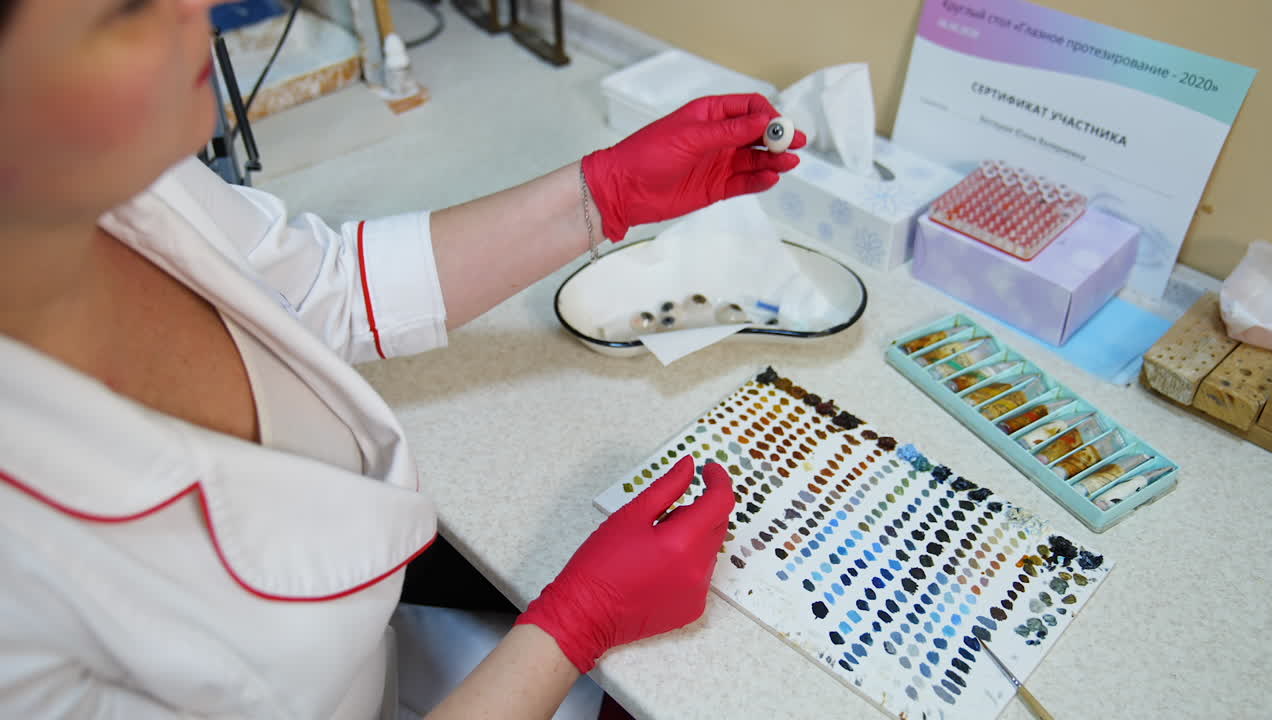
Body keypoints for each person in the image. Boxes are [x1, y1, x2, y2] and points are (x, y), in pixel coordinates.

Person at [0, 1, 807, 718]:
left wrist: (602, 197)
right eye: (124, 10)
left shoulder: (118, 189)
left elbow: (318, 289)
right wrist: (576, 625)